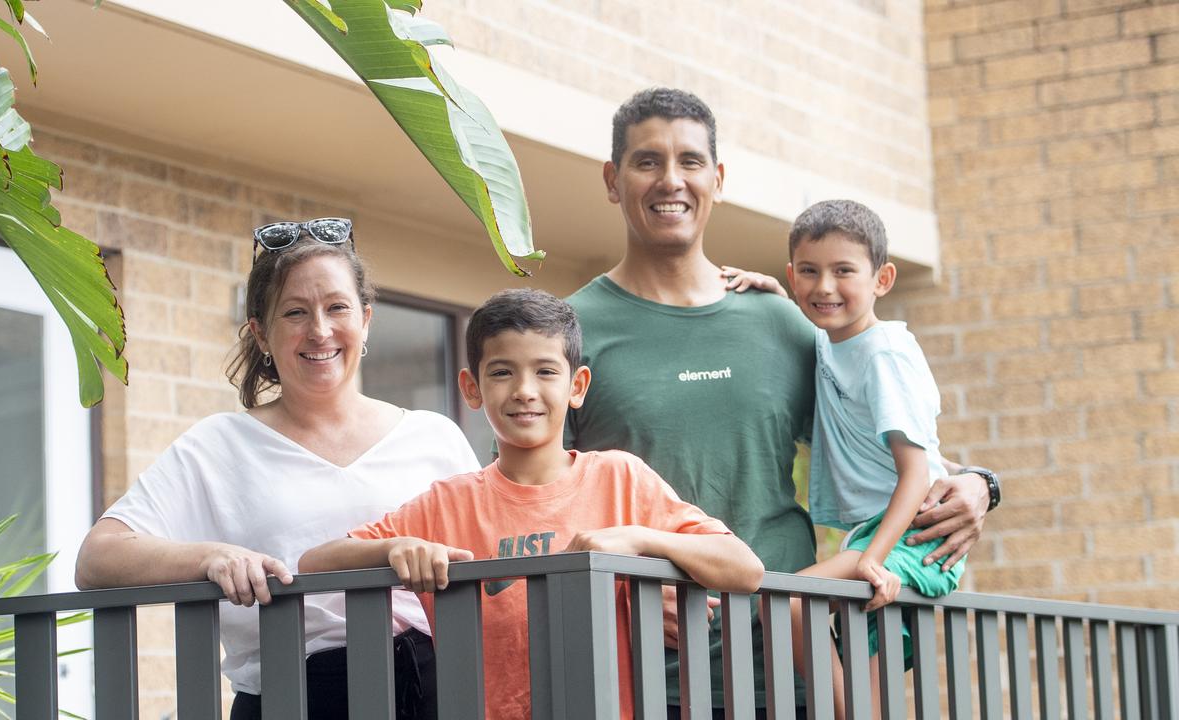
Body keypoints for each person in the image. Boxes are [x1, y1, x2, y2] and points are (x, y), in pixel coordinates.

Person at [564, 88, 999, 719]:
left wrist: (982, 483)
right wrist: (613, 586)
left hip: (794, 665)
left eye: (689, 161)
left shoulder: (782, 323)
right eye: (647, 161)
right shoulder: (571, 329)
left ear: (717, 179)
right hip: (640, 667)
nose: (670, 180)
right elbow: (528, 495)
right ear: (612, 179)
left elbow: (875, 438)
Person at [75, 218, 480, 720]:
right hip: (293, 700)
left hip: (437, 693)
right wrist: (211, 557)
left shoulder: (433, 436)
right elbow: (97, 558)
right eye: (295, 312)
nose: (320, 330)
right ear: (260, 334)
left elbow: (492, 557)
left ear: (366, 320)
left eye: (337, 307)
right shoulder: (219, 445)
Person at [301, 288, 765, 720]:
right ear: (471, 387)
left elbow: (745, 569)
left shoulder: (620, 478)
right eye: (502, 371)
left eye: (545, 371)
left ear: (577, 385)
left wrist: (639, 540)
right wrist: (395, 547)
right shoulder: (448, 502)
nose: (524, 389)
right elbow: (313, 564)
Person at [777, 199, 968, 718]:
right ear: (793, 276)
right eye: (810, 272)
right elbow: (811, 319)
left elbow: (917, 471)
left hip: (910, 534)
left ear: (882, 279)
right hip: (878, 533)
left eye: (844, 271)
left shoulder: (882, 353)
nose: (824, 287)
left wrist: (872, 557)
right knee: (869, 690)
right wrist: (767, 289)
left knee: (793, 600)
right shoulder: (835, 342)